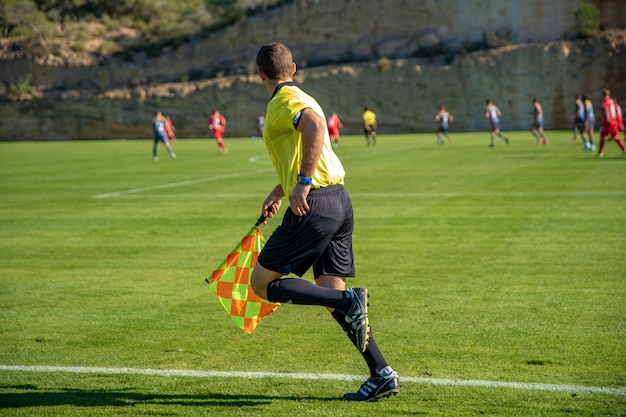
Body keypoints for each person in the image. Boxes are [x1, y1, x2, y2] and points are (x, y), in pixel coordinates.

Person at [251, 42, 399, 402]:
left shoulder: (281, 104)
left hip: (314, 203)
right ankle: (381, 372)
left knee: (260, 283)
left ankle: (351, 302)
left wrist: (300, 184)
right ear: (294, 68)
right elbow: (310, 145)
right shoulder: (305, 96)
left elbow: (315, 128)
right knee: (332, 294)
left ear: (259, 75)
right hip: (338, 201)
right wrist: (281, 188)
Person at [597, 88, 626, 157]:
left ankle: (600, 152)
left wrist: (608, 119)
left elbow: (606, 110)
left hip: (608, 121)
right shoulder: (612, 101)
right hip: (614, 121)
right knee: (615, 136)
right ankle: (624, 149)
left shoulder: (604, 102)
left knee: (602, 136)